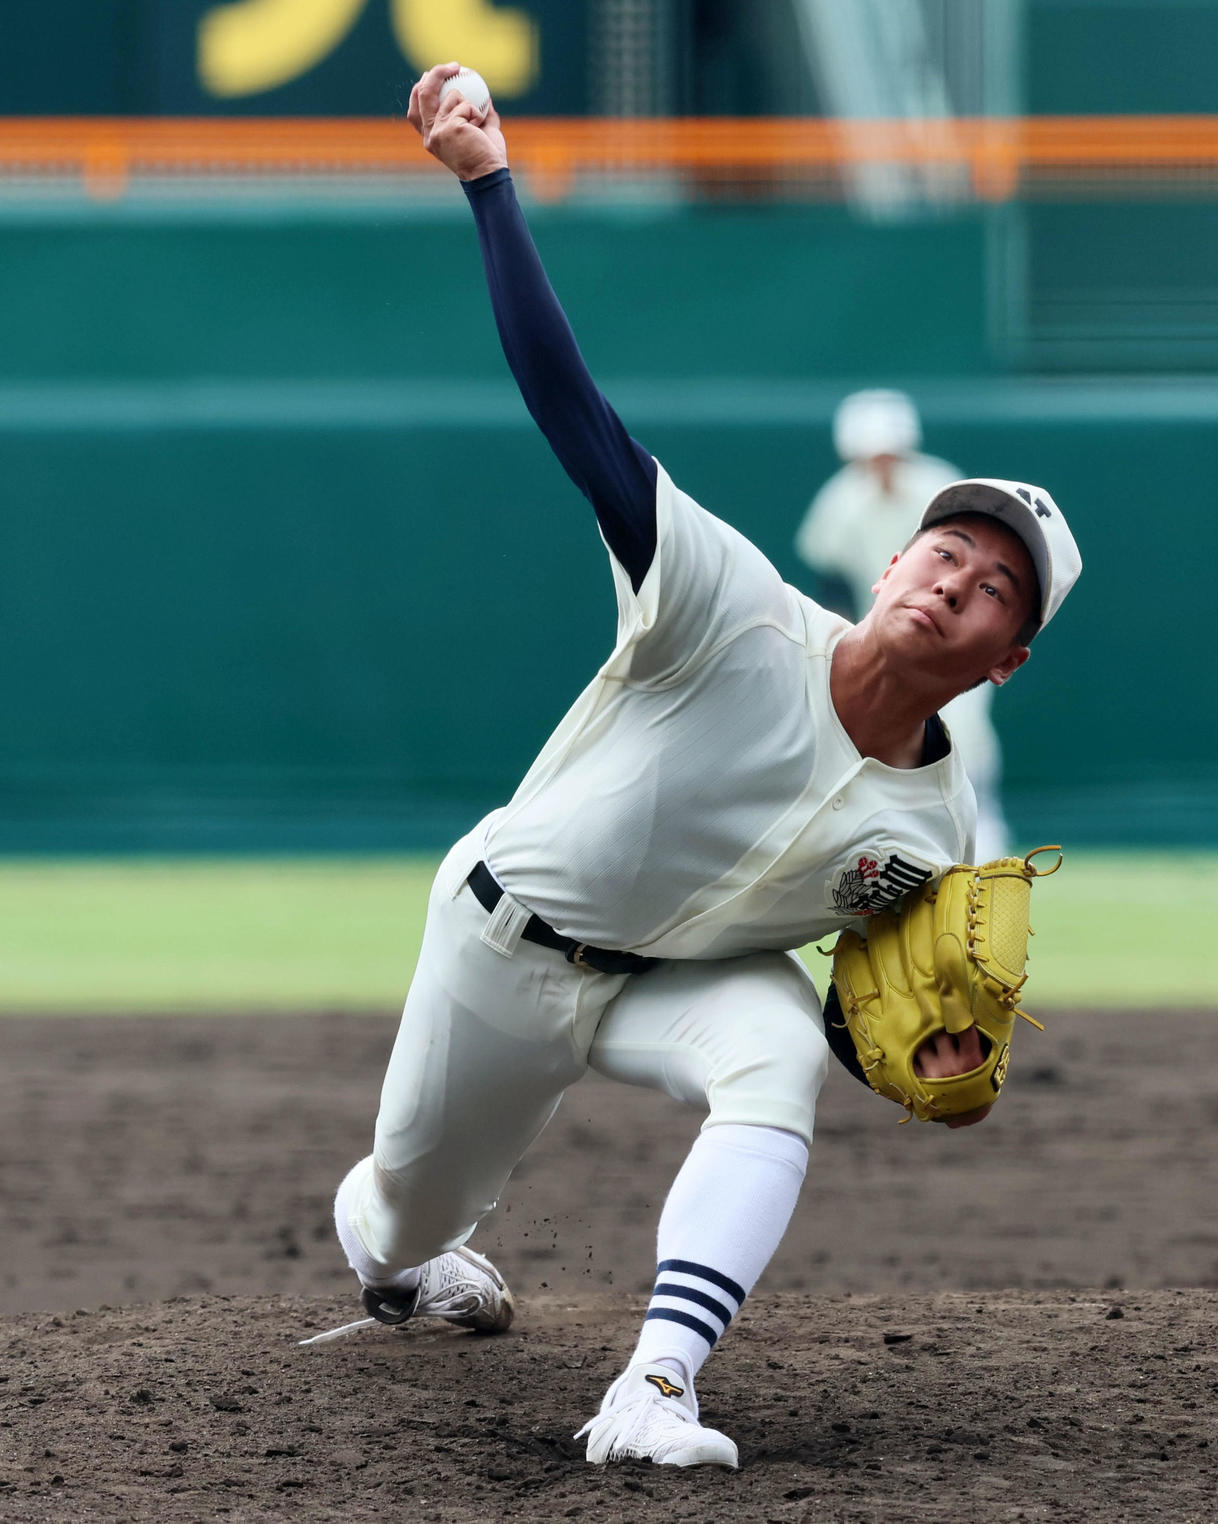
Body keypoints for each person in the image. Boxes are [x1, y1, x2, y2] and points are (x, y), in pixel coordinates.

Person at [308, 64, 1083, 1472]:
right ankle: (400, 1249)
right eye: (947, 553)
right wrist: (490, 182)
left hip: (670, 982)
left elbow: (885, 1008)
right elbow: (574, 411)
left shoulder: (935, 814)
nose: (955, 585)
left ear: (1006, 657)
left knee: (775, 1054)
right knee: (405, 1219)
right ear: (897, 554)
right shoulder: (724, 600)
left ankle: (653, 1390)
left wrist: (939, 1047)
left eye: (992, 593)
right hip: (507, 939)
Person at [796, 390, 1012, 859]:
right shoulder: (840, 502)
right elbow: (830, 582)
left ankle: (984, 843)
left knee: (967, 737)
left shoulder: (940, 488)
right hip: (885, 639)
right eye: (872, 453)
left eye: (889, 451)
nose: (882, 462)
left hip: (953, 639)